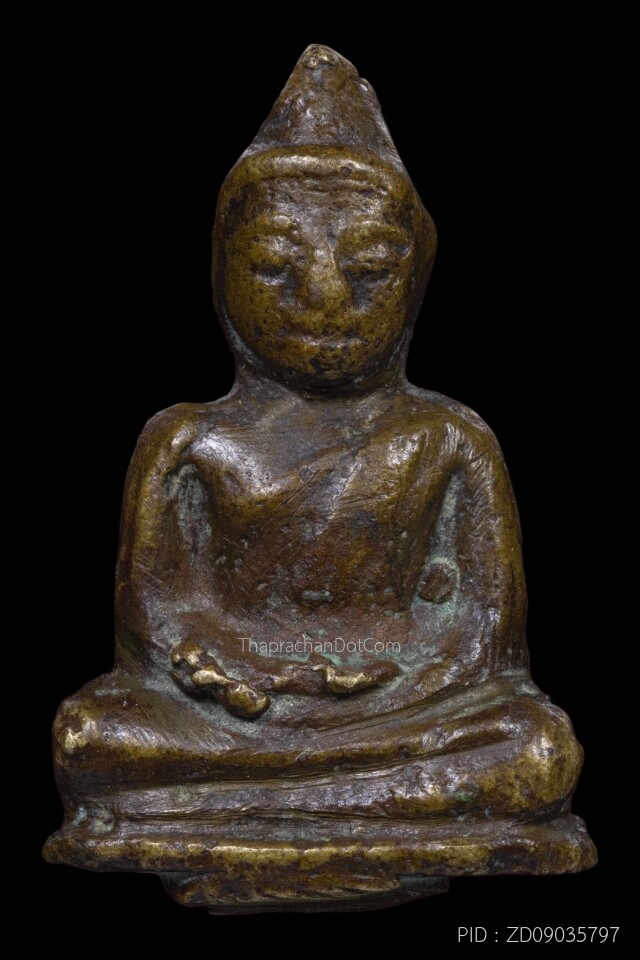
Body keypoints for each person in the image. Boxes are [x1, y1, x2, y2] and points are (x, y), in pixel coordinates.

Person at [46, 45, 595, 912]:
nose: (327, 297)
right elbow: (151, 621)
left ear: (415, 281)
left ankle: (240, 812)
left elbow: (487, 642)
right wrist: (232, 677)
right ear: (223, 274)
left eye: (370, 269)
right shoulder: (187, 441)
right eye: (275, 264)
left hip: (399, 709)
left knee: (536, 748)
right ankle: (341, 807)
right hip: (234, 704)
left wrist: (376, 686)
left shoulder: (448, 439)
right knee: (91, 735)